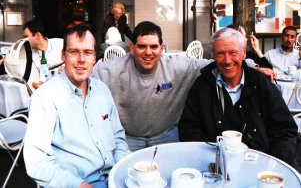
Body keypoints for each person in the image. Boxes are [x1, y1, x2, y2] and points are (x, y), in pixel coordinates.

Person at [92, 21, 271, 152]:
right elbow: (85, 82)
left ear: (162, 48)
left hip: (167, 135)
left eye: (154, 46)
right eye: (142, 47)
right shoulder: (109, 69)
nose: (148, 52)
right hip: (128, 138)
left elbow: (216, 62)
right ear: (132, 48)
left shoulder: (177, 66)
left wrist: (252, 66)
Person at [23, 25, 130, 187]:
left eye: (87, 52)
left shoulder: (102, 90)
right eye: (74, 52)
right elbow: (36, 161)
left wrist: (125, 169)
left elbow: (118, 137)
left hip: (114, 178)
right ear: (63, 55)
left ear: (95, 57)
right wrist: (78, 185)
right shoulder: (46, 97)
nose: (81, 59)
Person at [178, 27, 297, 167]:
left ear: (243, 53)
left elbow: (284, 129)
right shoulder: (203, 85)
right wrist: (209, 157)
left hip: (259, 164)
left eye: (233, 52)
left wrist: (273, 164)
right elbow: (189, 127)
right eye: (220, 54)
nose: (227, 60)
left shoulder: (260, 84)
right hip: (214, 164)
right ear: (213, 56)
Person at [23, 20, 64, 88]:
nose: (24, 40)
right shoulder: (29, 55)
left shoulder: (61, 44)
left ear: (37, 35)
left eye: (26, 37)